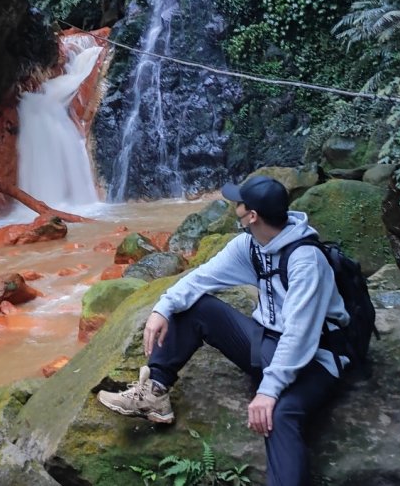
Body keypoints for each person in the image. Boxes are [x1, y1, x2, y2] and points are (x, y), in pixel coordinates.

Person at [97, 175, 349, 486]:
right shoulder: (251, 244)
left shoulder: (305, 261)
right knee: (194, 307)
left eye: (238, 204)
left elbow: (300, 336)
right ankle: (154, 393)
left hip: (315, 358)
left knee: (280, 415)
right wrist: (162, 308)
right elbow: (200, 278)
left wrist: (267, 392)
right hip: (268, 342)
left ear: (252, 215)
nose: (234, 207)